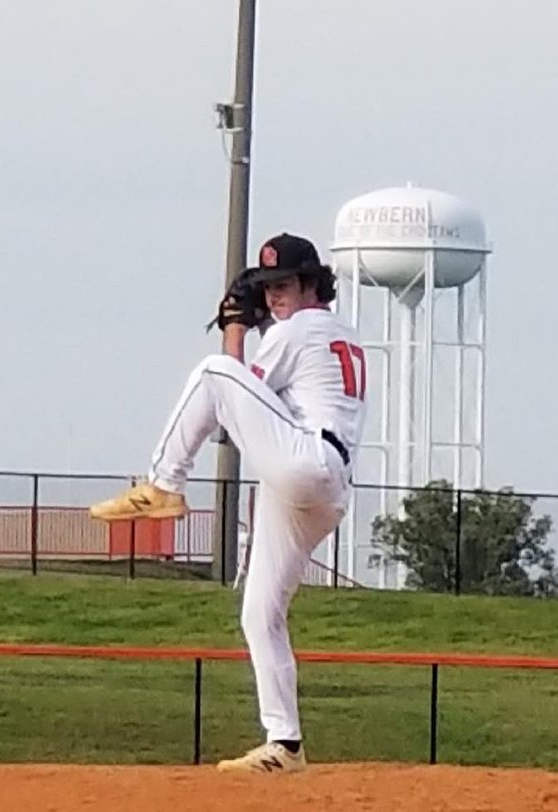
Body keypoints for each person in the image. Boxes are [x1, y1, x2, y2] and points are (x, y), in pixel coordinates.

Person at [90, 234, 365, 774]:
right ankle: (285, 744)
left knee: (213, 373)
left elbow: (232, 383)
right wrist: (259, 321)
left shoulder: (302, 328)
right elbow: (258, 403)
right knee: (260, 614)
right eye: (268, 288)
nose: (274, 296)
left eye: (283, 285)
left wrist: (235, 327)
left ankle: (163, 484)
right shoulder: (334, 333)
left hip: (305, 459)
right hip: (317, 484)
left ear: (312, 284)